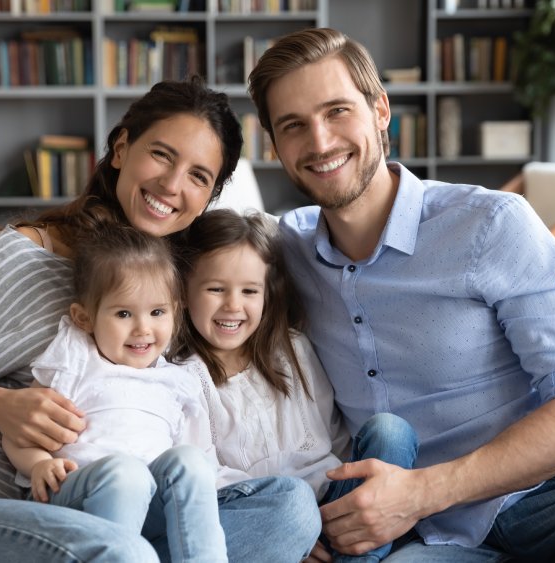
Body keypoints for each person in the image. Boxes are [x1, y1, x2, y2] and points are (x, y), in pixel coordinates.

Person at [247, 28, 555, 563]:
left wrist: (420, 492)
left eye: (337, 112)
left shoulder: (489, 226)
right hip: (430, 536)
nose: (321, 142)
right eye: (294, 126)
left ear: (380, 110)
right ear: (274, 146)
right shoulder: (281, 253)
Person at [0, 78, 319, 563]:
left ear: (209, 197)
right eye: (161, 155)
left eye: (199, 176)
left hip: (119, 508)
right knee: (121, 551)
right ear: (121, 148)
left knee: (291, 510)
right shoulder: (24, 257)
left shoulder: (182, 285)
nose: (172, 184)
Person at [171, 208, 419, 563]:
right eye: (215, 289)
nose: (233, 305)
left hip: (333, 505)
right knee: (293, 503)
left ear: (267, 295)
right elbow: (206, 480)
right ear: (184, 290)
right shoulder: (185, 377)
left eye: (249, 291)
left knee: (391, 431)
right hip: (271, 513)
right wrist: (297, 532)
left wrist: (341, 512)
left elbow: (334, 437)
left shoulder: (292, 350)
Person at [3, 223, 230, 563]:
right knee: (127, 473)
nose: (143, 328)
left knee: (191, 462)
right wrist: (39, 465)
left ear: (175, 311)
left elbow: (195, 467)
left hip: (151, 506)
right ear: (84, 318)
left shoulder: (177, 381)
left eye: (157, 312)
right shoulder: (75, 358)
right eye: (124, 313)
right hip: (77, 495)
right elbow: (18, 430)